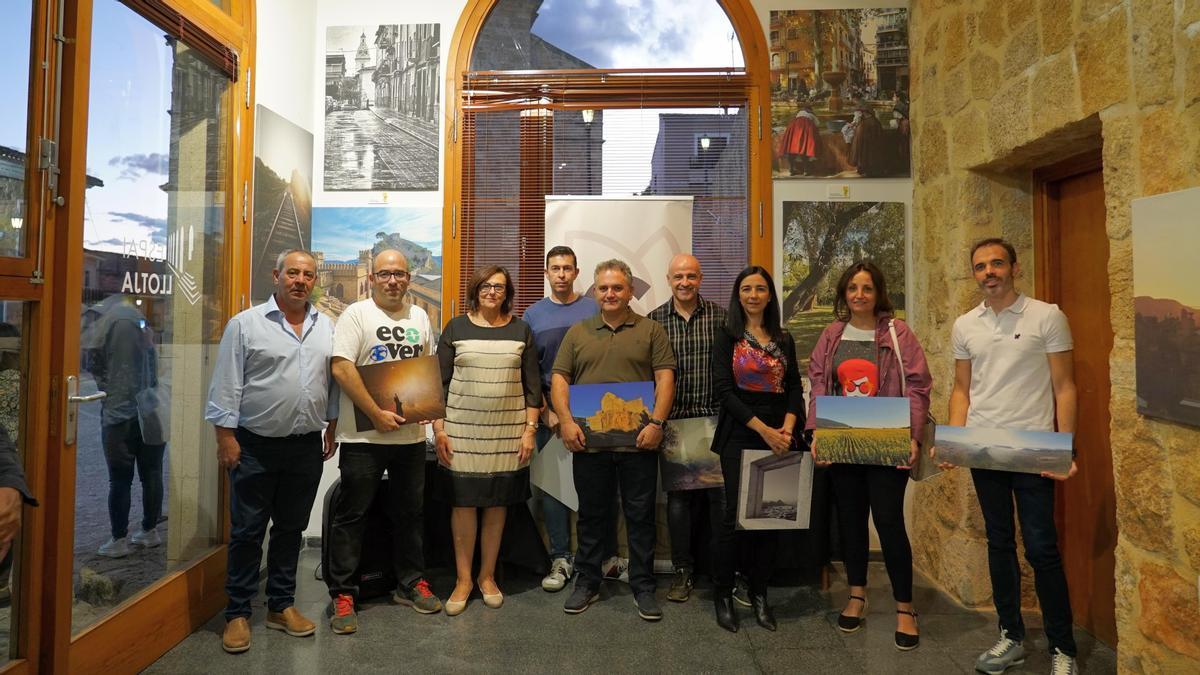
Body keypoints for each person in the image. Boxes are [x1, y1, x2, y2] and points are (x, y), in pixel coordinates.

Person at [942, 238, 1080, 675]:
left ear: (1014, 268)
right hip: (985, 451)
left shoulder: (1048, 316)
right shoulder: (966, 325)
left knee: (1042, 549)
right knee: (998, 543)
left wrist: (1066, 449)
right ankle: (1011, 636)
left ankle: (1063, 649)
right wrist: (952, 442)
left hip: (1035, 452)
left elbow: (1065, 388)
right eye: (981, 266)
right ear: (974, 274)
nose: (989, 272)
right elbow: (962, 389)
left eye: (997, 263)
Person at [205, 249, 338, 654]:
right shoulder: (245, 325)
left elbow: (330, 380)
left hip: (304, 447)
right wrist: (225, 438)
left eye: (308, 275)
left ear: (316, 281)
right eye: (293, 273)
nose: (301, 280)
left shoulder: (325, 326)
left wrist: (332, 423)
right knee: (247, 532)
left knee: (291, 529)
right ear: (276, 276)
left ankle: (281, 606)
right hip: (254, 445)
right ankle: (238, 612)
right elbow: (227, 384)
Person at [806, 261, 931, 651]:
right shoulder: (831, 334)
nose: (859, 295)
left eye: (867, 288)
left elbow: (918, 385)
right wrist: (817, 434)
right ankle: (857, 594)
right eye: (853, 288)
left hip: (886, 438)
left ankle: (904, 607)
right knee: (851, 521)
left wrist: (912, 437)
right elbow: (818, 382)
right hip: (843, 441)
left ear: (878, 293)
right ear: (844, 293)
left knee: (890, 521)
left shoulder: (897, 332)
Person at [325, 249, 442, 634]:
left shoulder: (420, 317)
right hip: (362, 438)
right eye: (385, 274)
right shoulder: (356, 314)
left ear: (409, 278)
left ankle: (410, 583)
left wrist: (429, 412)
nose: (393, 281)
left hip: (409, 438)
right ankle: (343, 593)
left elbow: (425, 370)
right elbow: (342, 366)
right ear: (373, 278)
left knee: (410, 514)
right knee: (351, 514)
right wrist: (376, 414)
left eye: (400, 274)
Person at [551, 259, 675, 621]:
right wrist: (566, 422)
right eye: (603, 288)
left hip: (639, 443)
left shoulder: (651, 330)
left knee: (640, 516)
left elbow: (665, 379)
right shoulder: (578, 332)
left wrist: (656, 423)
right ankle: (587, 581)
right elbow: (560, 381)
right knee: (591, 516)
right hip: (588, 443)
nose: (610, 294)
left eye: (617, 287)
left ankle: (643, 586)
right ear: (595, 291)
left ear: (630, 291)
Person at [434, 265, 542, 616]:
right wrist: (439, 429)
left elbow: (532, 387)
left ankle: (487, 577)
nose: (492, 292)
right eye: (486, 285)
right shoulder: (455, 327)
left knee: (497, 503)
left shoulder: (520, 329)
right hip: (461, 430)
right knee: (463, 504)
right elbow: (439, 384)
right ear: (475, 289)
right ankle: (463, 580)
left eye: (499, 287)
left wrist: (529, 430)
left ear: (507, 292)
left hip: (507, 432)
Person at [710, 266, 805, 633]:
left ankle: (760, 592)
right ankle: (722, 592)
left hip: (781, 433)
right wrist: (764, 430)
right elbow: (724, 392)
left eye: (760, 288)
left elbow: (794, 386)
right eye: (746, 288)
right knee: (735, 516)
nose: (753, 295)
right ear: (738, 295)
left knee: (771, 516)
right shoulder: (727, 334)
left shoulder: (784, 337)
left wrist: (788, 427)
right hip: (740, 432)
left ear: (769, 295)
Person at [647, 254, 727, 603]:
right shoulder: (653, 322)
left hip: (714, 421)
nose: (684, 282)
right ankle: (683, 571)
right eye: (678, 276)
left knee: (718, 500)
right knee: (678, 502)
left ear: (701, 278)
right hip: (675, 422)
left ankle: (720, 571)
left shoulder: (722, 319)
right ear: (668, 279)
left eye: (691, 276)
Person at [523, 246, 600, 592]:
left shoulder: (594, 309)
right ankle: (560, 557)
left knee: (592, 488)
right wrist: (546, 410)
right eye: (555, 268)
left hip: (591, 412)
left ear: (577, 271)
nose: (561, 274)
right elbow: (529, 371)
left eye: (567, 268)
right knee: (553, 489)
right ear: (546, 273)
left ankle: (594, 558)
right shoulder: (533, 314)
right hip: (549, 416)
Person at [85, 296, 166, 558]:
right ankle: (149, 530)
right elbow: (151, 368)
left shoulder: (114, 322)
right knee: (151, 473)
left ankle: (118, 539)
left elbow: (112, 370)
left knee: (119, 479)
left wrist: (107, 392)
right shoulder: (141, 322)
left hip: (121, 414)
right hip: (150, 410)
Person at [777, 105, 821, 176]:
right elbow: (818, 124)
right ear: (810, 110)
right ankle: (806, 170)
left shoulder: (798, 114)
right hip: (805, 129)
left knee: (791, 149)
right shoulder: (812, 114)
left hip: (794, 127)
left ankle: (791, 169)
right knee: (804, 149)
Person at [849, 104, 887, 177]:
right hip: (866, 144)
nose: (862, 114)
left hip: (870, 145)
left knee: (868, 157)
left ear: (865, 113)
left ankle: (868, 170)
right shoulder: (870, 121)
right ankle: (866, 169)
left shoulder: (870, 122)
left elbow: (877, 135)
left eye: (862, 112)